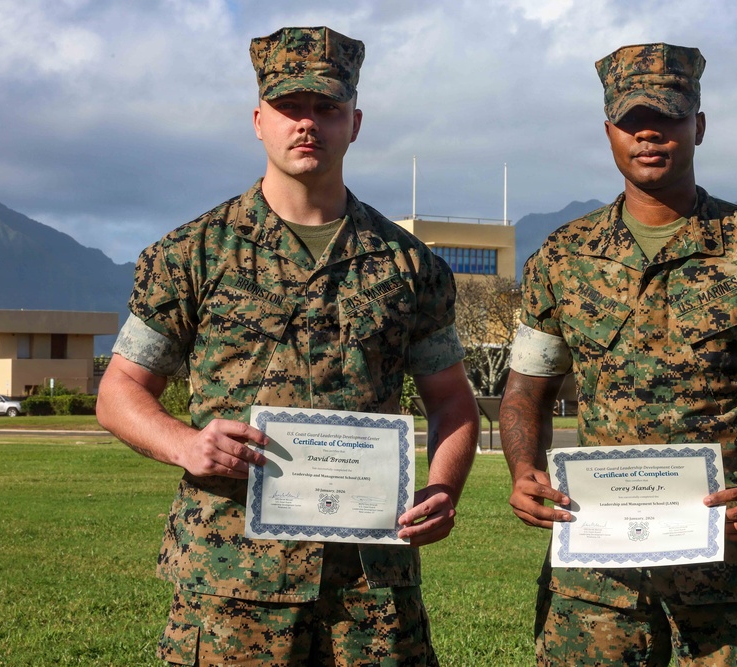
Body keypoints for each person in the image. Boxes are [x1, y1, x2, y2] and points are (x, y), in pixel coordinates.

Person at [96, 26, 479, 666]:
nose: (308, 124)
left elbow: (451, 402)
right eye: (289, 108)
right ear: (258, 120)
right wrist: (187, 444)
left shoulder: (410, 267)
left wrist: (443, 488)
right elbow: (120, 390)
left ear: (354, 123)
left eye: (327, 109)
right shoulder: (191, 254)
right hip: (230, 581)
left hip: (370, 588)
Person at [500, 42, 737, 666]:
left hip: (731, 570)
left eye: (668, 117)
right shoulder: (560, 258)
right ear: (608, 131)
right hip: (598, 583)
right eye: (632, 120)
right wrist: (524, 471)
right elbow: (527, 390)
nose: (649, 134)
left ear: (700, 126)